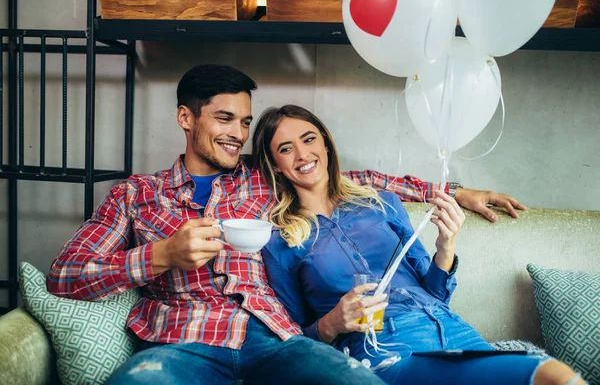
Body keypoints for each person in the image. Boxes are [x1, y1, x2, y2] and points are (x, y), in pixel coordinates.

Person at [47, 65, 525, 384]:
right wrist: (161, 255)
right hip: (184, 343)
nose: (237, 133)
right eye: (224, 119)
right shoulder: (135, 195)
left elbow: (356, 179)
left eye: (245, 121)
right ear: (185, 118)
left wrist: (456, 191)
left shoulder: (263, 179)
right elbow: (65, 274)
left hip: (280, 341)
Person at [253, 105, 587, 385]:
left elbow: (435, 292)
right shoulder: (279, 240)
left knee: (552, 374)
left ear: (325, 145)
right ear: (275, 165)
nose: (302, 154)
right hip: (383, 349)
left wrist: (446, 246)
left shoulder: (381, 203)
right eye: (285, 148)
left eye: (309, 139)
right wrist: (331, 323)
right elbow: (290, 341)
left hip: (456, 332)